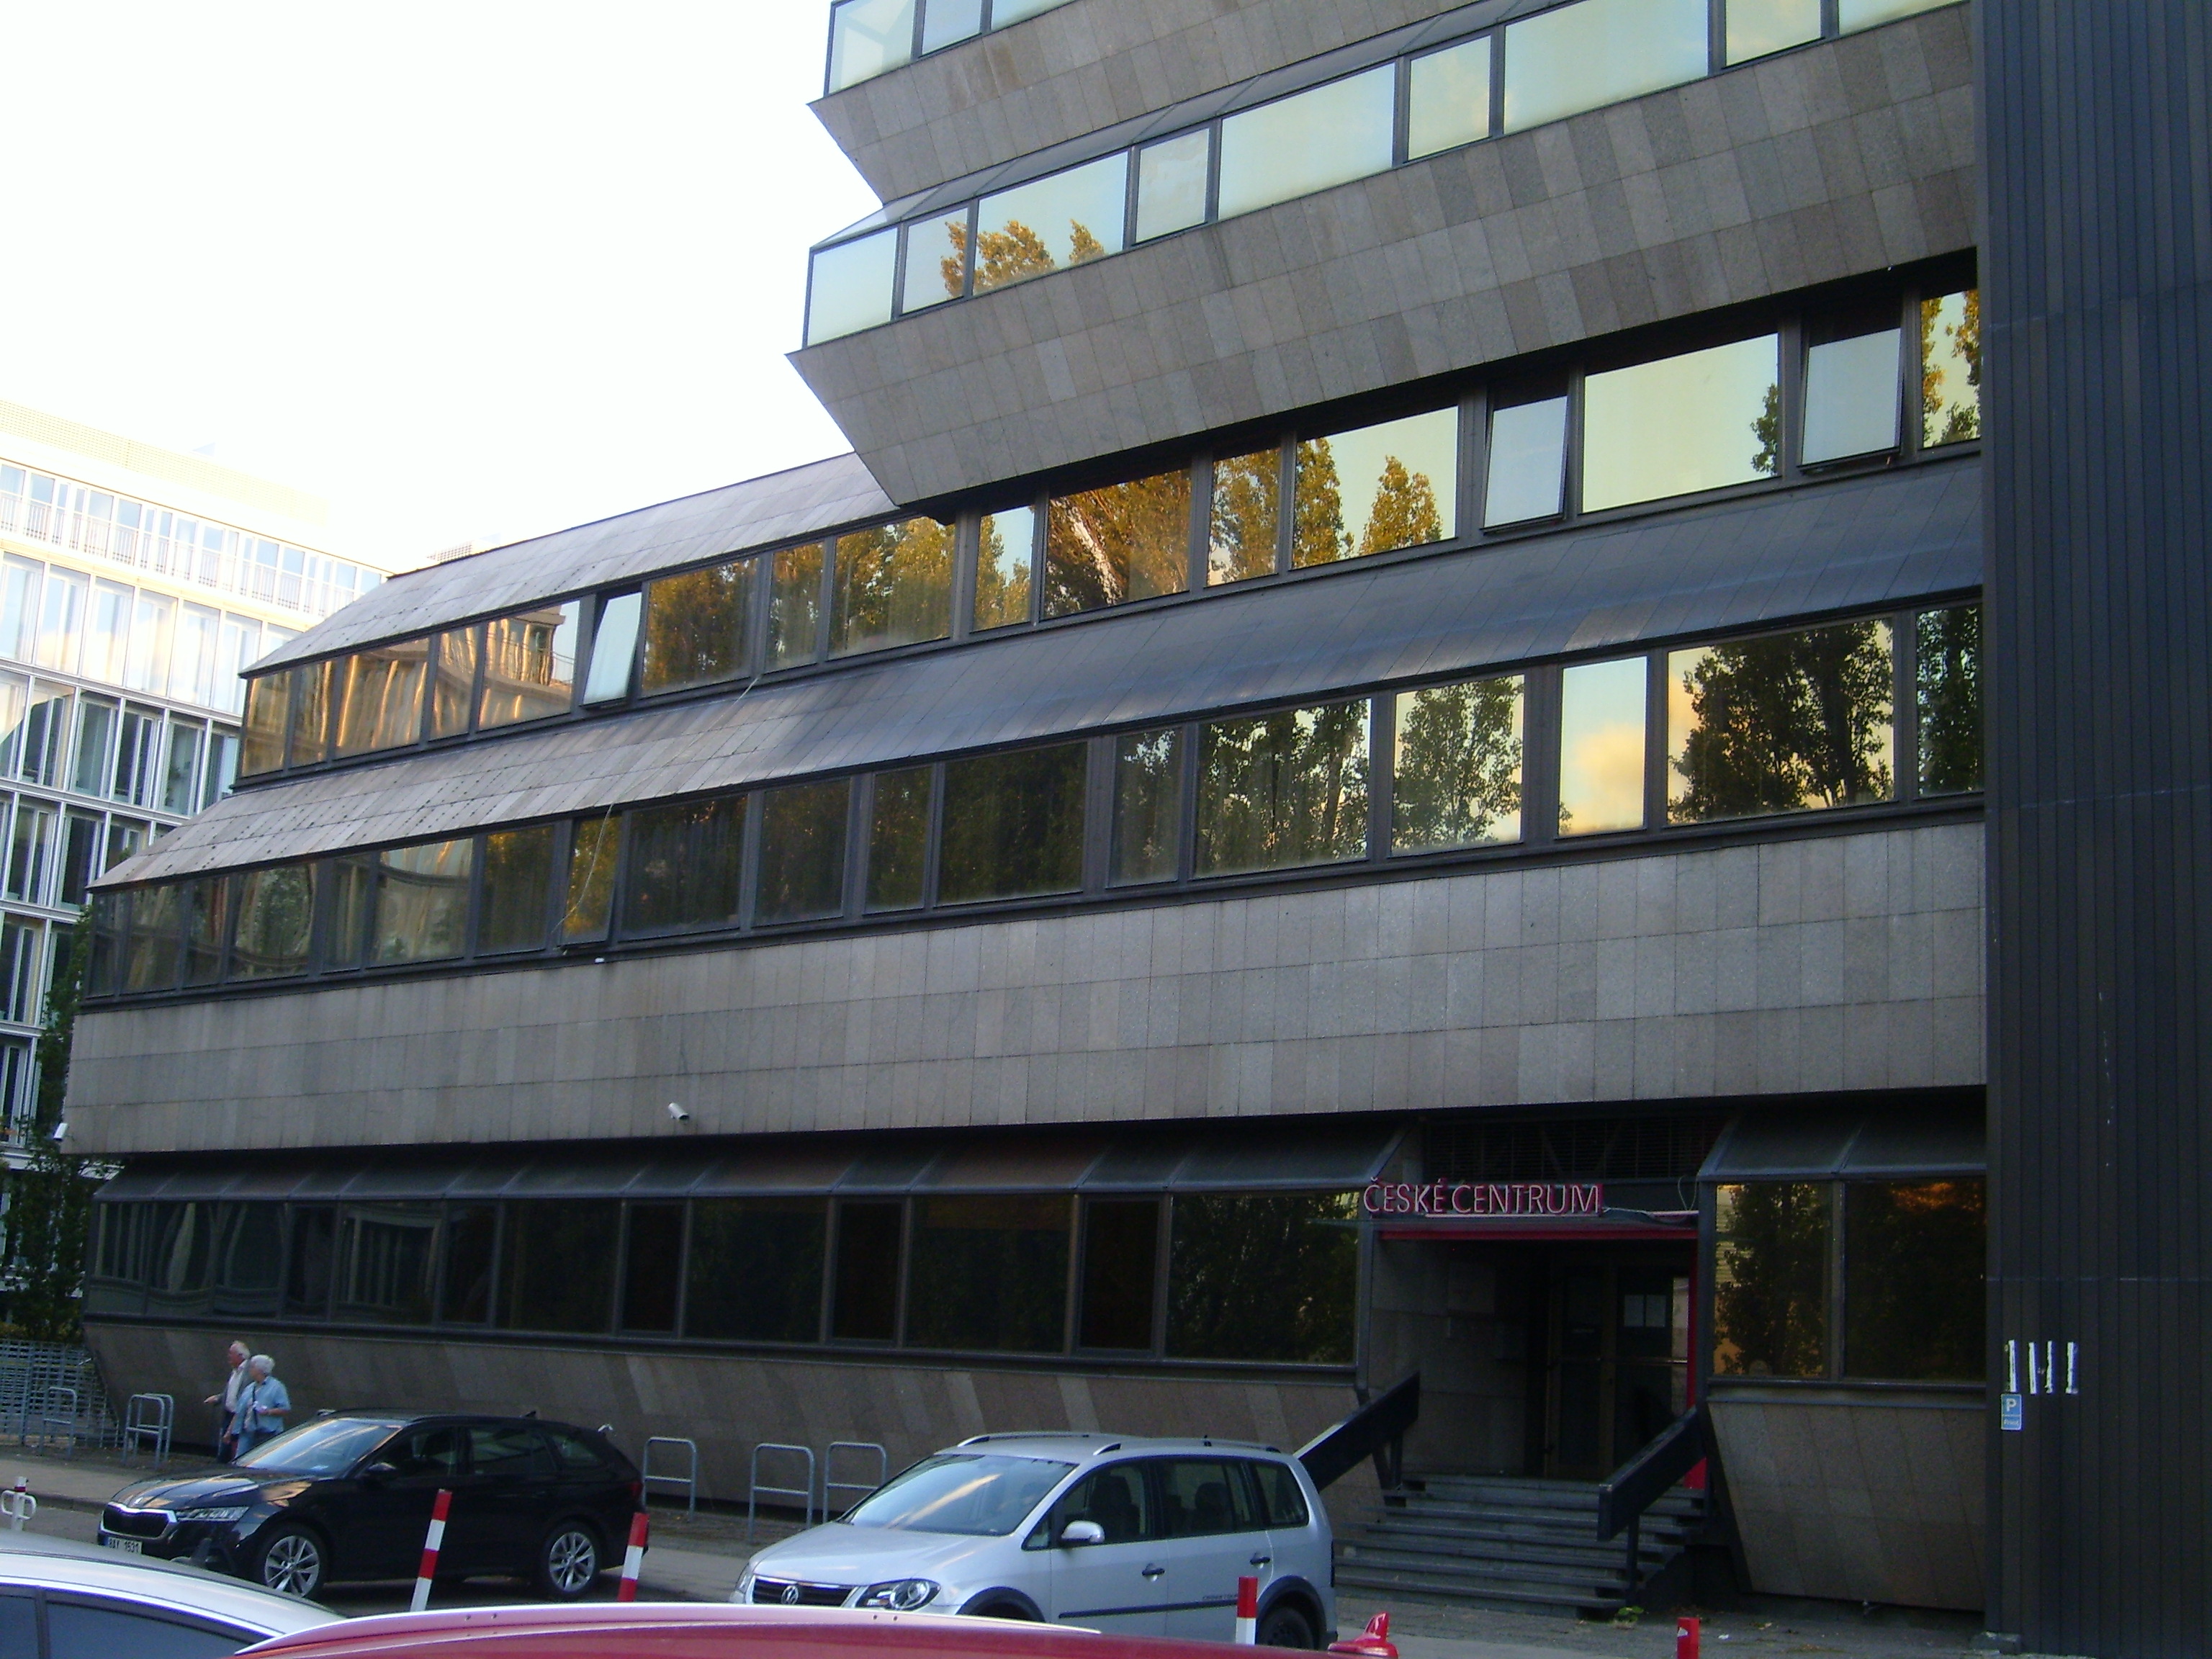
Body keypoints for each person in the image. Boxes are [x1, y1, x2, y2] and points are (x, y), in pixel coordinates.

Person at [231, 1354, 290, 1457]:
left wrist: (268, 1412)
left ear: (260, 1369)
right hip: (247, 1432)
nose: (250, 1370)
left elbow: (285, 1409)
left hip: (266, 1433)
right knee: (240, 1459)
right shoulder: (250, 1388)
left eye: (252, 1367)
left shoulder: (277, 1387)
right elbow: (239, 1411)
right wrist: (230, 1431)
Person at [204, 1341, 250, 1461]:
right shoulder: (235, 1371)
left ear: (240, 1356)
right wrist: (218, 1398)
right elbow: (230, 1391)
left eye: (231, 1353)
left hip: (238, 1416)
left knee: (230, 1446)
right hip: (228, 1414)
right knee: (225, 1445)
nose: (229, 1356)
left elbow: (245, 1394)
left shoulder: (248, 1372)